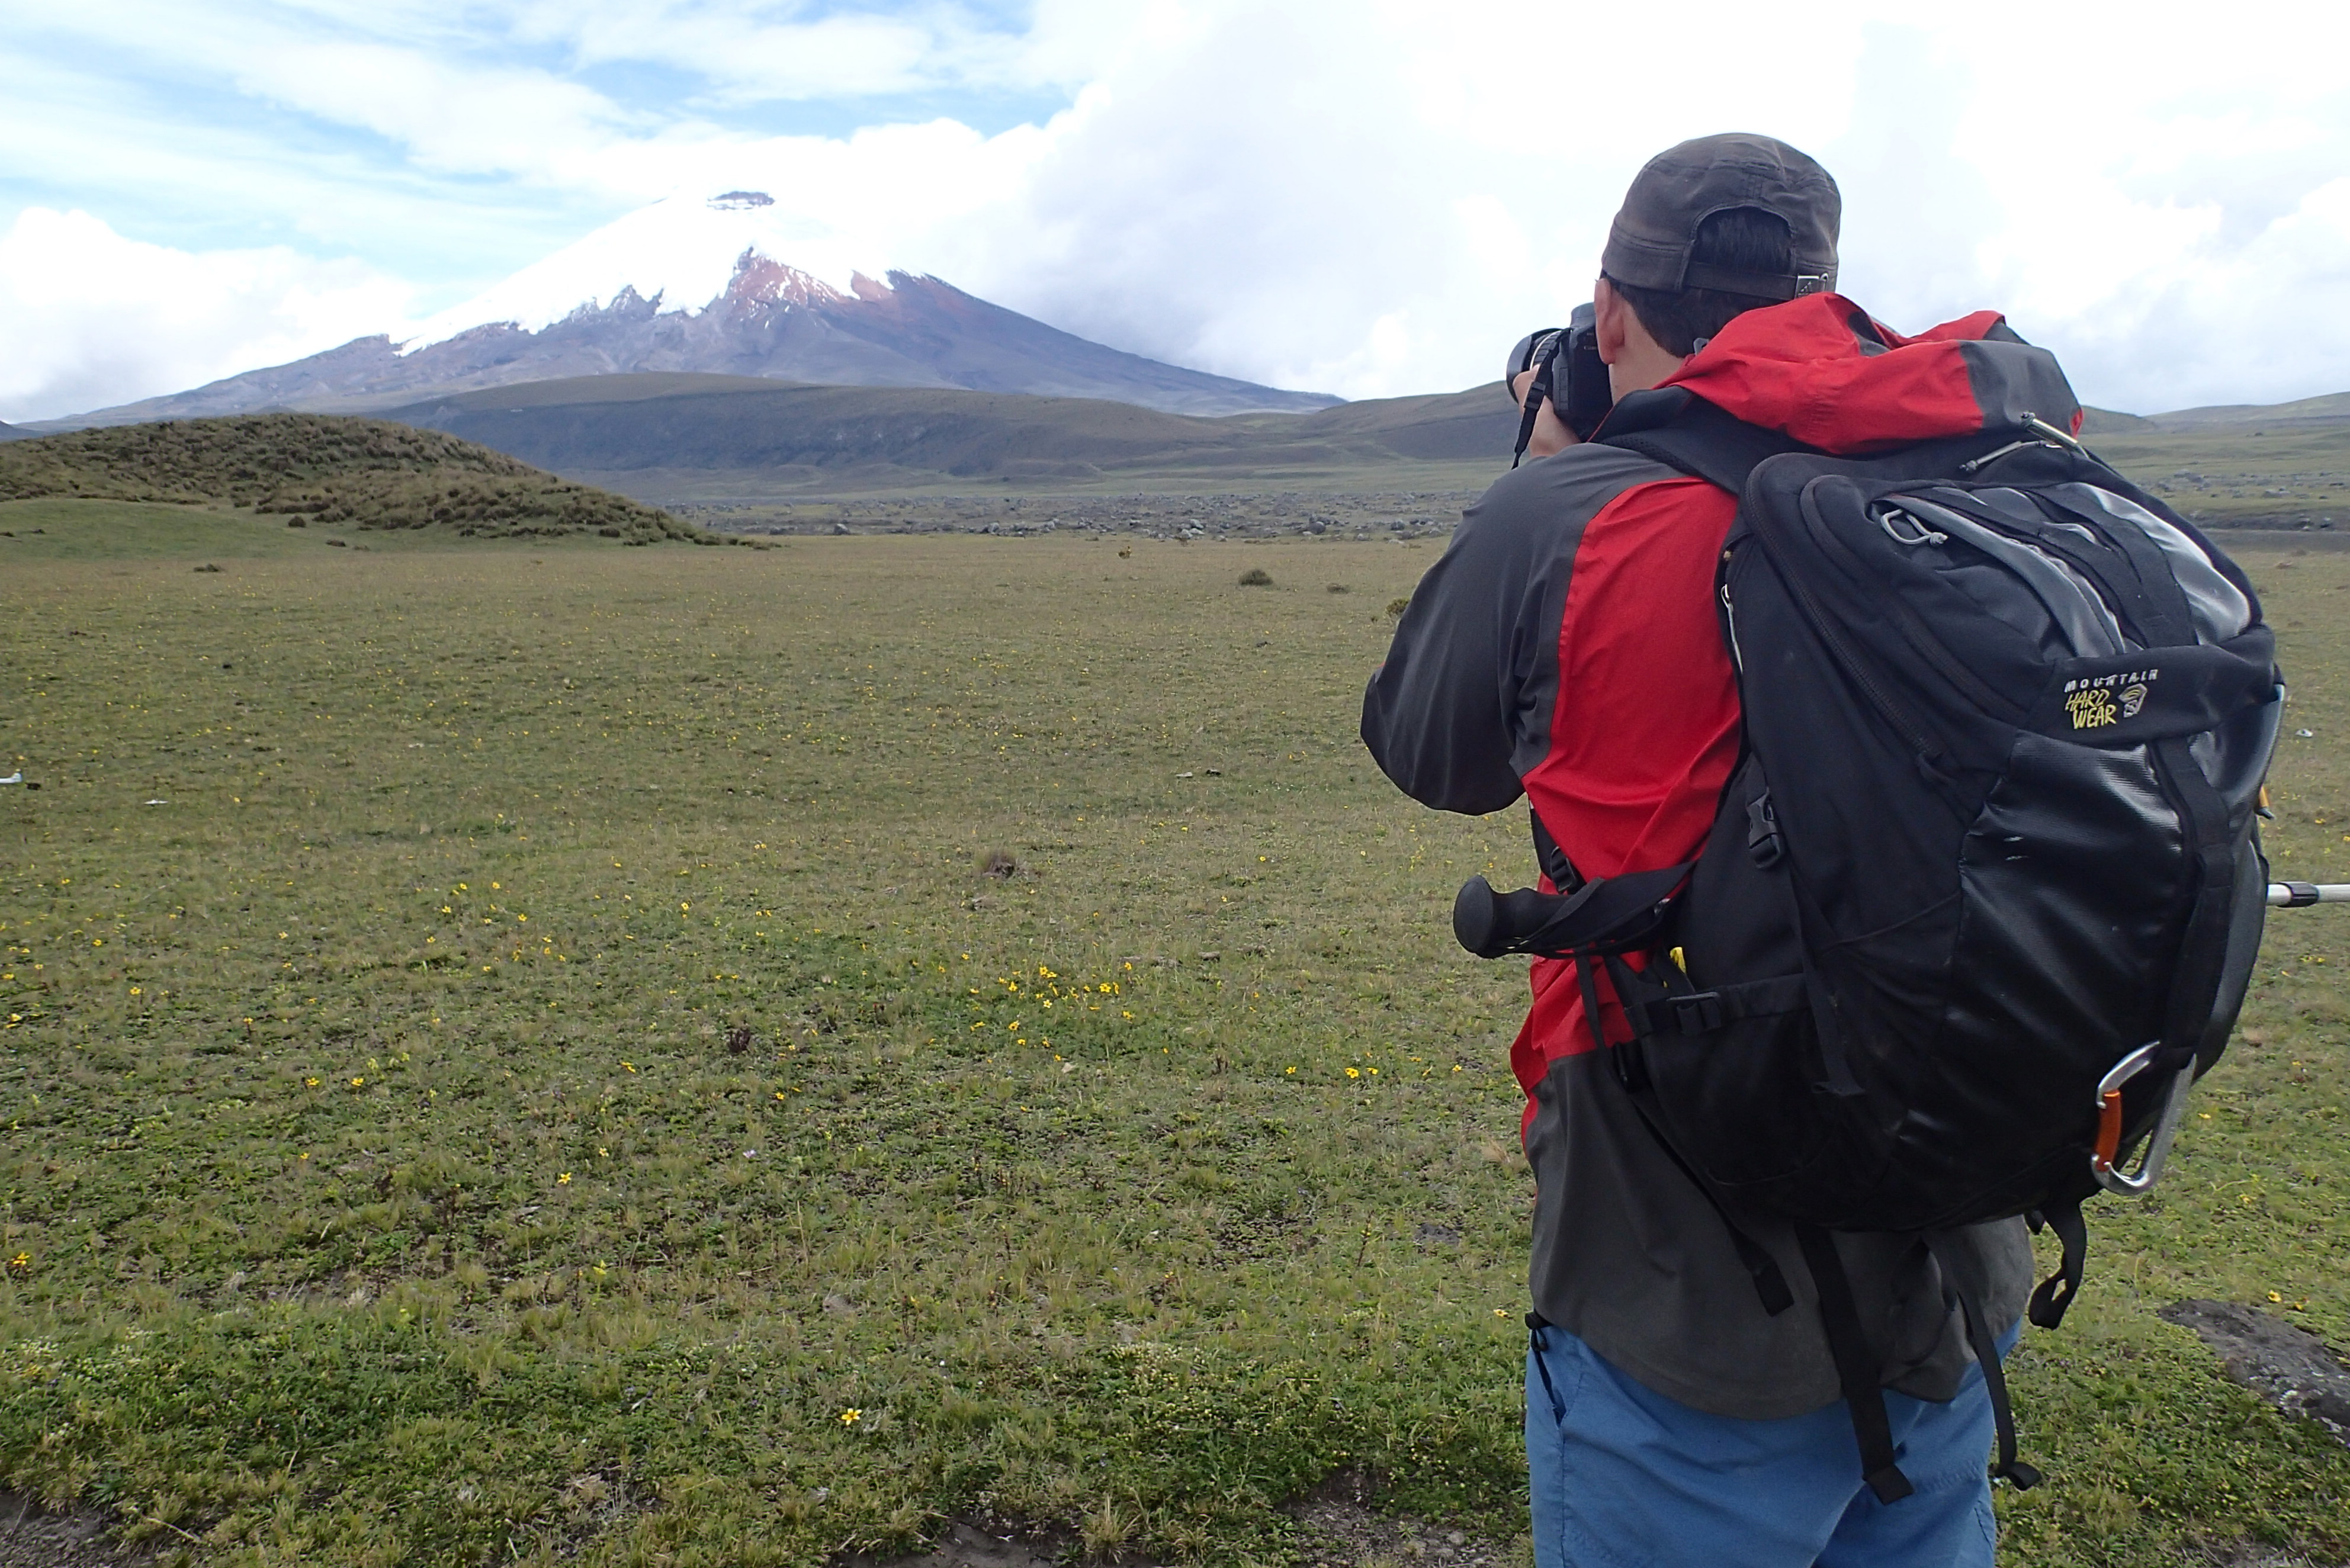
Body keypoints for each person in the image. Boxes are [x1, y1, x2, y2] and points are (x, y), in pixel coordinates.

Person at [1361, 134, 2062, 1567]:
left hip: (1680, 1257)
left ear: (1609, 314)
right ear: (1820, 292)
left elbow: (1433, 757)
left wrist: (1552, 464)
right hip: (1956, 1206)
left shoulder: (1571, 511)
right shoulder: (1979, 470)